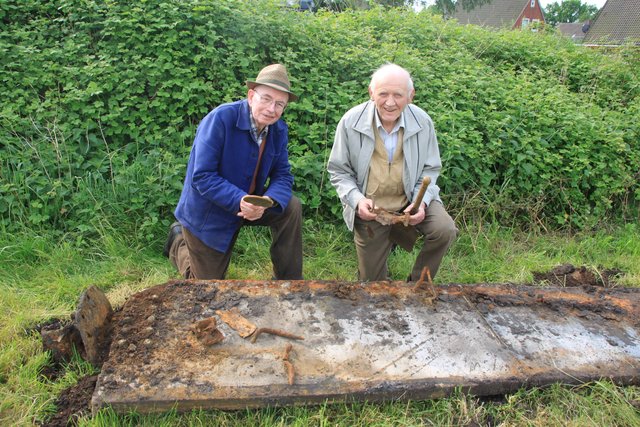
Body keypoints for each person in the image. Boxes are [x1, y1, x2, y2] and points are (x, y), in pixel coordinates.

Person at [163, 64, 303, 280]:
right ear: (250, 96)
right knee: (205, 286)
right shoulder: (220, 120)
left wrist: (267, 201)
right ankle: (178, 242)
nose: (272, 109)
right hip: (210, 212)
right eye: (266, 98)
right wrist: (241, 201)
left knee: (291, 206)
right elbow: (202, 176)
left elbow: (283, 175)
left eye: (279, 104)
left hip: (250, 204)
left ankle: (290, 282)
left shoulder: (278, 130)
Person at [327, 63, 457, 282]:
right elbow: (339, 171)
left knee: (444, 229)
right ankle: (380, 259)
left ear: (410, 95)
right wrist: (358, 201)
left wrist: (421, 203)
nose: (390, 102)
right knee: (371, 285)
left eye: (398, 95)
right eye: (383, 94)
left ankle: (418, 285)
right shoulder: (351, 122)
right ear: (371, 93)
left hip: (410, 201)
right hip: (372, 209)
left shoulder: (423, 122)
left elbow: (431, 169)